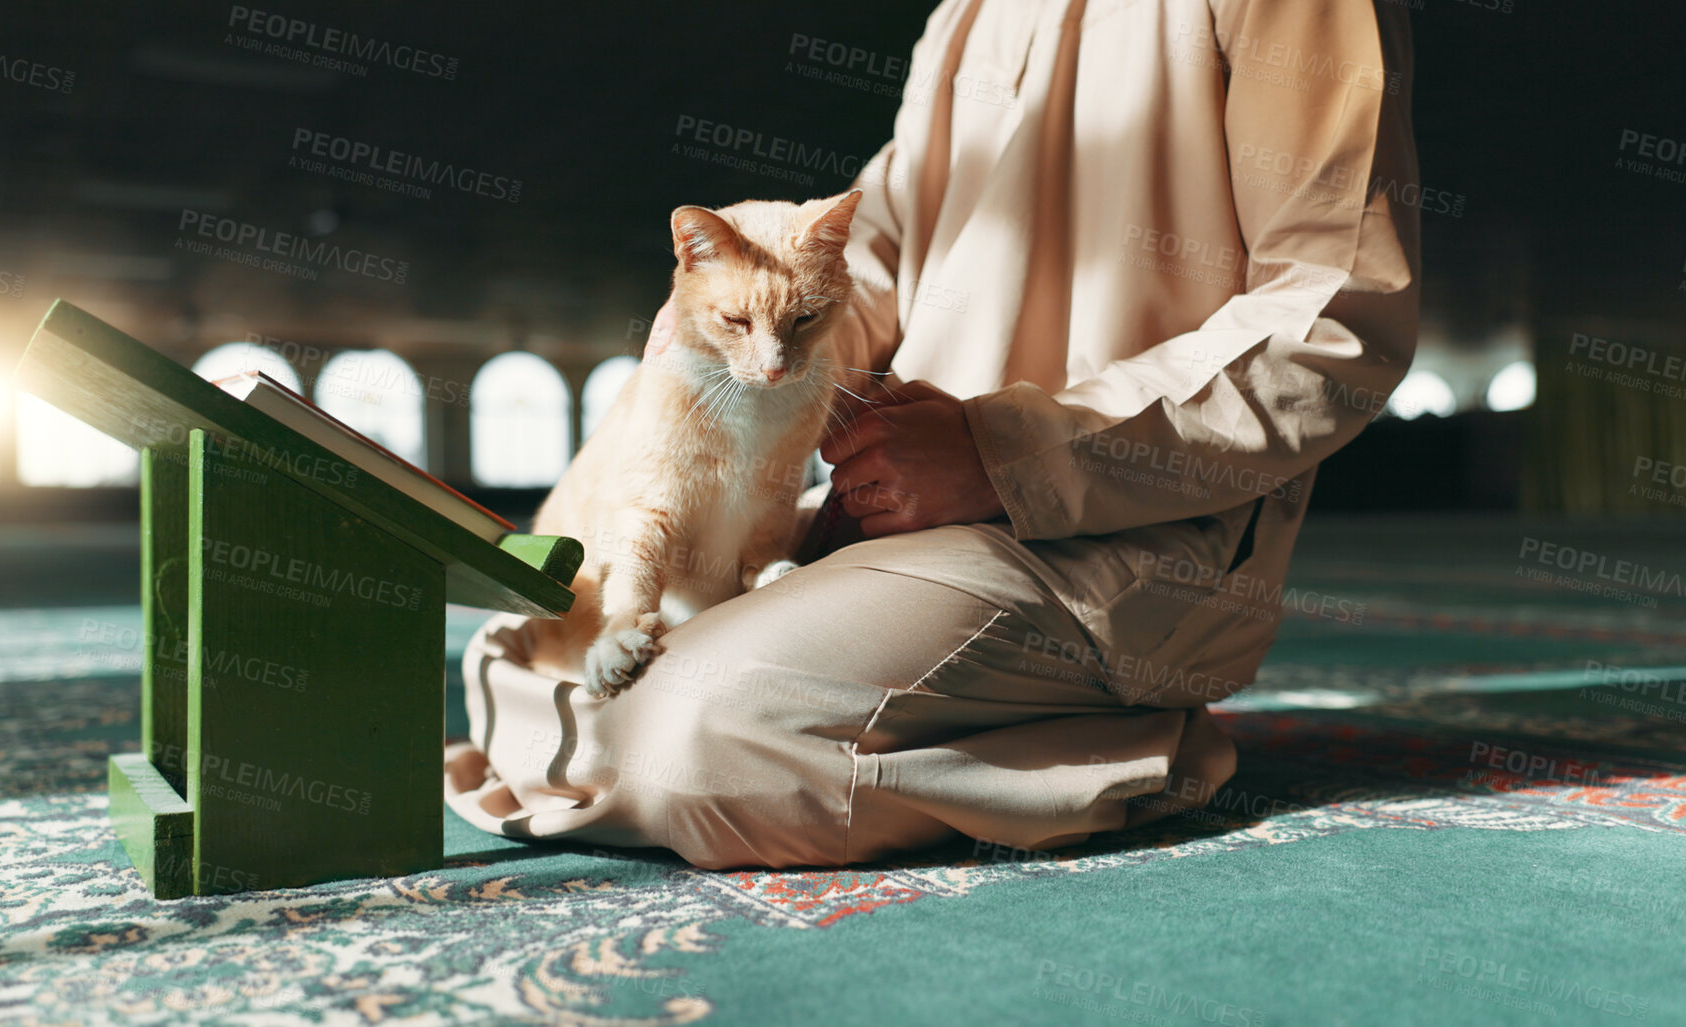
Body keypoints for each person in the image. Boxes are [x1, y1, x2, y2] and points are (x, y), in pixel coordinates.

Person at [444, 0, 1418, 868]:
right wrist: (711, 342)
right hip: (898, 508)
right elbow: (864, 263)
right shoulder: (965, 12)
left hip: (1116, 543)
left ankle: (1132, 747)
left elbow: (1335, 318)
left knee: (676, 733)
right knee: (523, 636)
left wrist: (1011, 454)